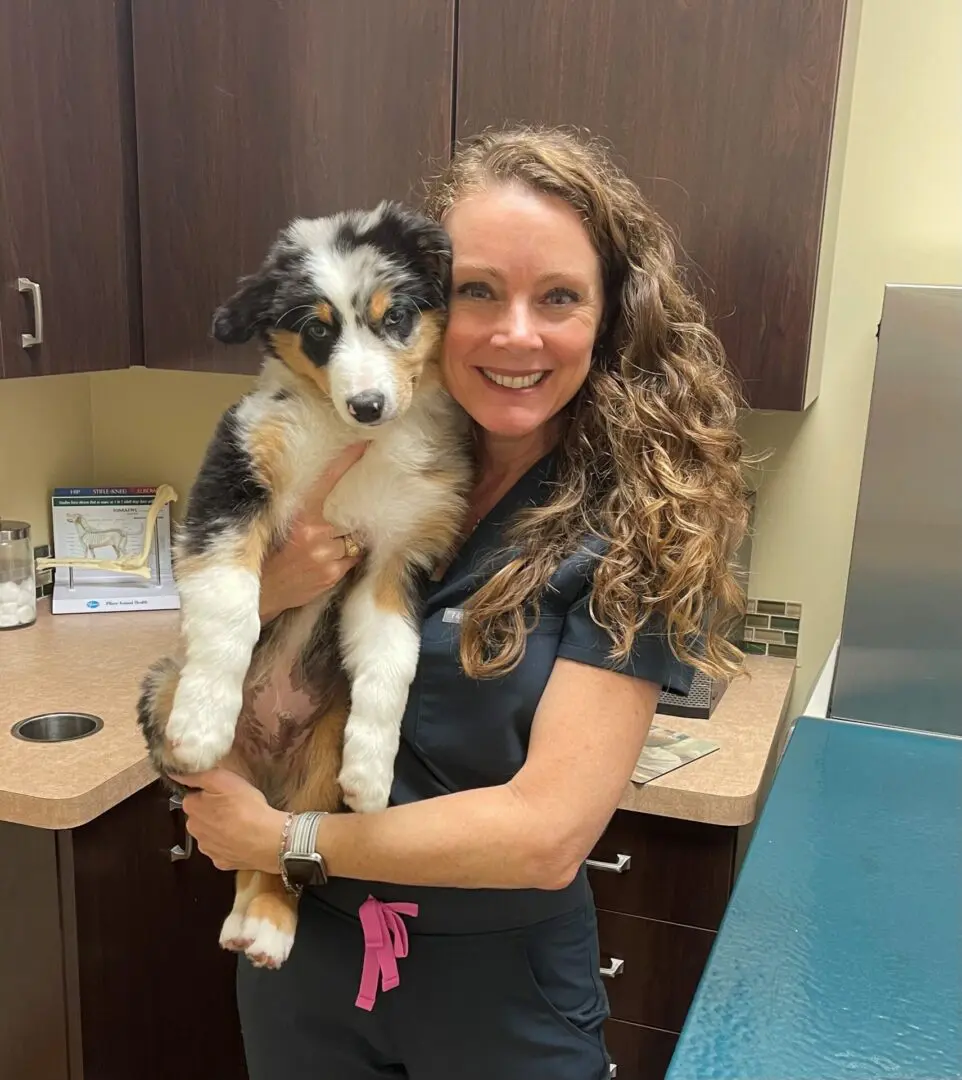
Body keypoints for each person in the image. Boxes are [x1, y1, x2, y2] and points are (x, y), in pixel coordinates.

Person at [173, 126, 749, 1079]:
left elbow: (546, 835)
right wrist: (273, 585)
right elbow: (214, 643)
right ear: (429, 303)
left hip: (496, 998)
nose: (515, 334)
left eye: (558, 297)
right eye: (480, 291)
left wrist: (284, 840)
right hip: (304, 970)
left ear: (609, 316)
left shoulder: (637, 525)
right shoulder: (352, 444)